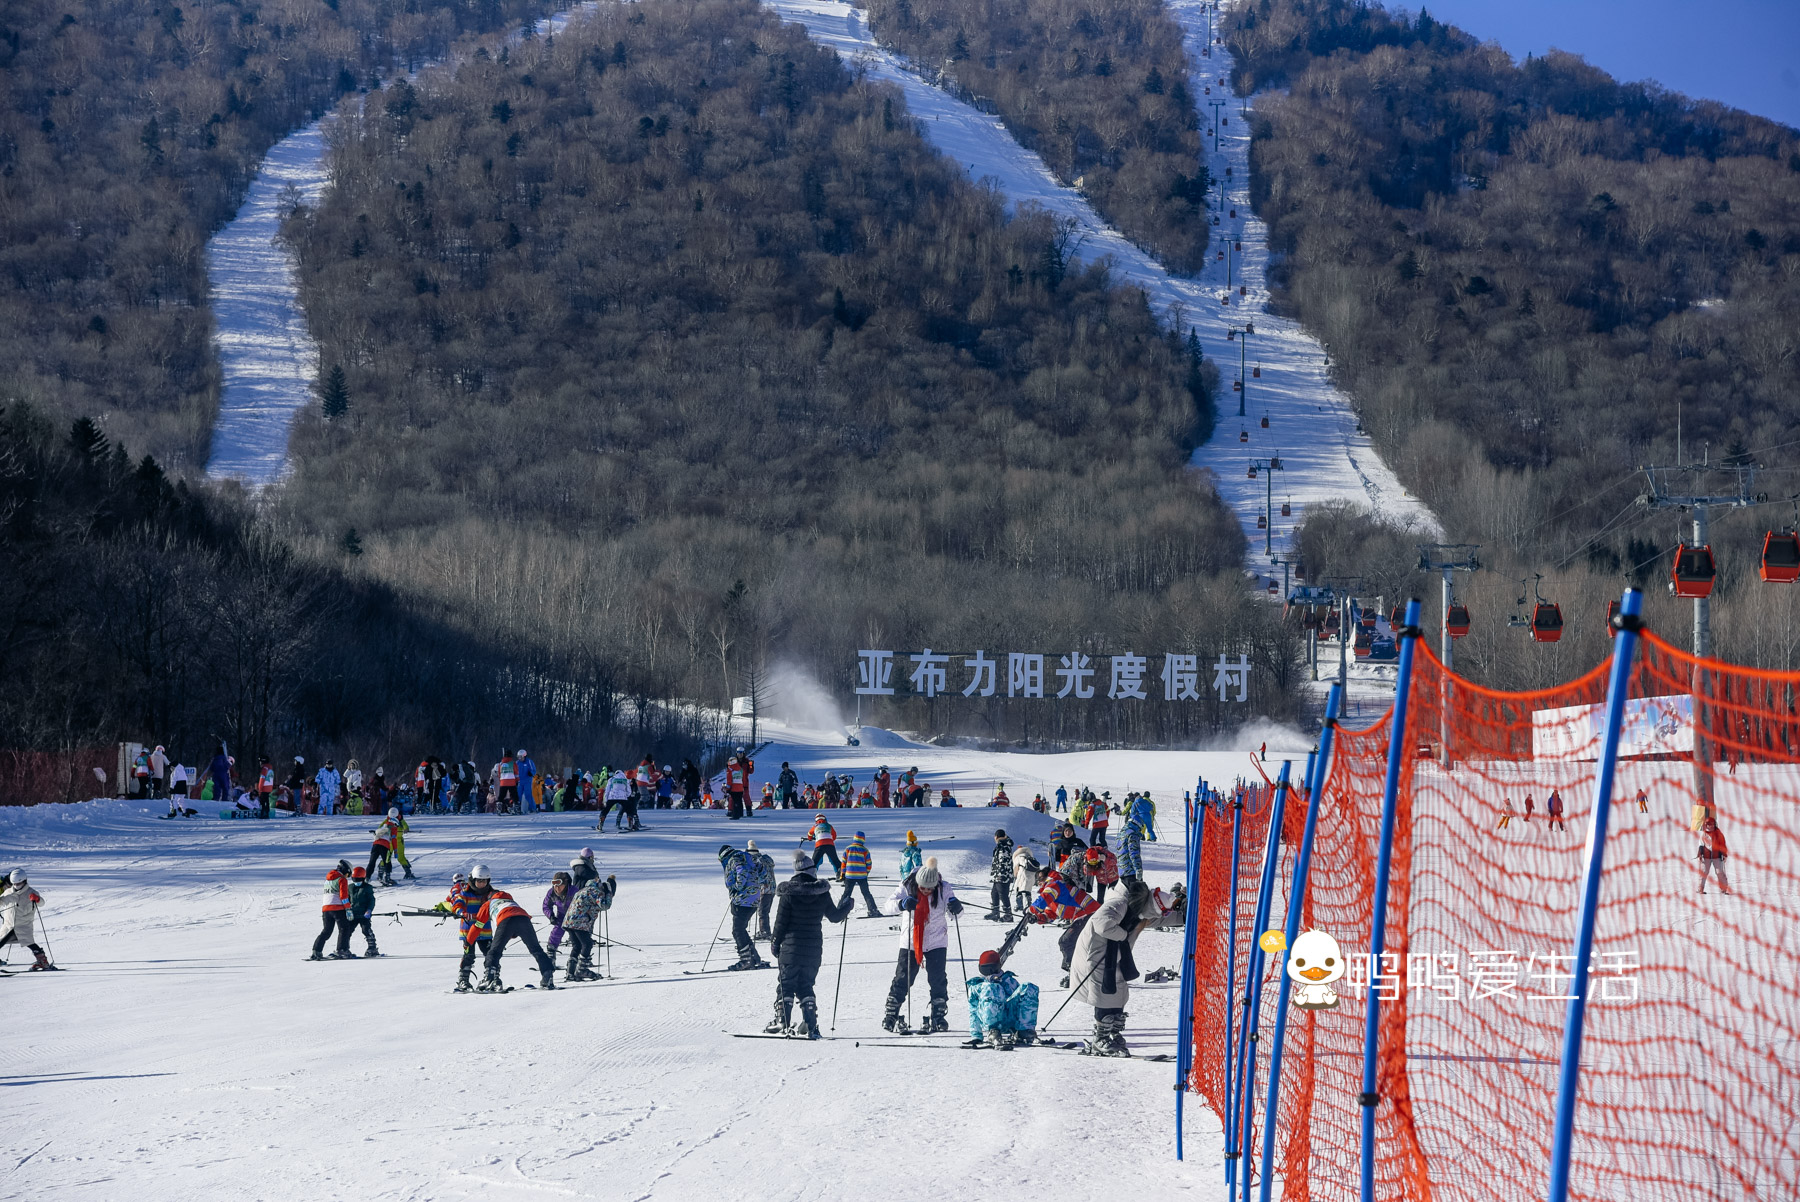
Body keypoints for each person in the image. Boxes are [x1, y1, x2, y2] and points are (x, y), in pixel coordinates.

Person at [1071, 880, 1183, 1055]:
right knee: (1105, 994)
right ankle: (1100, 1039)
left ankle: (1114, 1034)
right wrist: (1123, 935)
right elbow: (1102, 924)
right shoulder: (1120, 904)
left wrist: (1185, 915)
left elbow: (1161, 919)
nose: (1158, 915)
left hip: (1115, 957)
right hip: (1095, 956)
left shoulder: (1141, 911)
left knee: (1118, 993)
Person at [765, 850, 854, 1038]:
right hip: (813, 951)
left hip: (790, 949)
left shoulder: (788, 894)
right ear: (812, 871)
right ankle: (810, 1022)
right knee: (805, 984)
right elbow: (835, 917)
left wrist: (775, 943)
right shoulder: (821, 892)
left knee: (786, 984)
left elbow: (780, 923)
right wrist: (847, 905)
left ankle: (783, 1020)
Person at [882, 857, 962, 1033]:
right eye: (922, 887)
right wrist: (902, 904)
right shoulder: (906, 885)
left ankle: (938, 1016)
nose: (926, 891)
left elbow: (955, 915)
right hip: (911, 941)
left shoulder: (944, 888)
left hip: (937, 941)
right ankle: (891, 1014)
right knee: (903, 978)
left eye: (929, 888)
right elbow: (887, 906)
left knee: (938, 979)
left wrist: (957, 908)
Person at [463, 865, 557, 991]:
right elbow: (520, 918)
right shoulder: (510, 901)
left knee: (494, 952)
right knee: (536, 949)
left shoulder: (488, 904)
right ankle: (547, 976)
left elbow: (477, 926)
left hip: (505, 920)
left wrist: (468, 941)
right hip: (524, 919)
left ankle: (489, 979)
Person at [1028, 858, 1100, 987]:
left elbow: (1044, 899)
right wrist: (1040, 918)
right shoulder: (1054, 889)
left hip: (1089, 913)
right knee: (1075, 943)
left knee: (1066, 941)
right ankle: (1078, 972)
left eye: (1039, 880)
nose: (1038, 883)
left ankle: (1075, 974)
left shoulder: (1054, 885)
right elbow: (1051, 913)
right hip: (1085, 915)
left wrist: (1032, 910)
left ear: (1044, 877)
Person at [968, 950, 1039, 1048]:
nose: (990, 971)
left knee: (1029, 987)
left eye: (992, 967)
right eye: (986, 968)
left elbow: (1019, 1002)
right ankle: (993, 1031)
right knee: (992, 987)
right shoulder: (977, 986)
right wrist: (976, 1036)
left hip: (1010, 1019)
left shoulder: (1009, 981)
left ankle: (1024, 1031)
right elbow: (973, 1010)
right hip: (989, 1021)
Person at [719, 845, 769, 970]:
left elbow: (741, 872)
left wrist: (737, 887)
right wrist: (759, 883)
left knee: (737, 930)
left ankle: (746, 960)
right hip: (754, 898)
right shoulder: (748, 857)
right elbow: (763, 870)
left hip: (742, 898)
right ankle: (753, 957)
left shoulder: (734, 859)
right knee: (740, 928)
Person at [563, 871, 617, 981]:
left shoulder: (582, 890)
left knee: (577, 945)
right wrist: (608, 893)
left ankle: (570, 972)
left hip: (569, 922)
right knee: (587, 944)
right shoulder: (594, 891)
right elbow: (605, 905)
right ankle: (582, 970)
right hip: (580, 922)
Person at [0, 868, 53, 970]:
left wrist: (37, 899)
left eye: (18, 883)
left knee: (29, 942)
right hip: (8, 925)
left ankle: (43, 962)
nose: (16, 886)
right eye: (14, 884)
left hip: (23, 925)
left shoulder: (31, 892)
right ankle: (42, 961)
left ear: (24, 881)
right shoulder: (8, 892)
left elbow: (42, 903)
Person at [308, 860, 355, 961]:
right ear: (345, 871)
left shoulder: (327, 880)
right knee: (344, 929)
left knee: (327, 931)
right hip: (338, 908)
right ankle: (342, 950)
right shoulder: (341, 879)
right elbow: (343, 896)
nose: (347, 877)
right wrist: (348, 908)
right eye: (348, 874)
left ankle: (316, 951)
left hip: (326, 909)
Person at [838, 831, 880, 917]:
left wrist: (842, 873)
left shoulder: (848, 849)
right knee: (866, 893)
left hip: (849, 875)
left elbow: (843, 862)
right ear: (863, 840)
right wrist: (866, 872)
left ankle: (839, 911)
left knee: (847, 893)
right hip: (862, 876)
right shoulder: (865, 850)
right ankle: (873, 910)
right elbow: (869, 864)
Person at [747, 840, 778, 939]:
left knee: (762, 911)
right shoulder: (766, 859)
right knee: (765, 910)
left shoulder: (753, 861)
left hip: (763, 889)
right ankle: (764, 930)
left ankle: (764, 931)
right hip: (772, 888)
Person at [542, 871, 573, 966]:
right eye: (554, 884)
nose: (557, 888)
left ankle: (576, 961)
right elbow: (546, 906)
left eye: (559, 884)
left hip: (574, 918)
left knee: (577, 938)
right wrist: (551, 916)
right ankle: (551, 957)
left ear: (566, 883)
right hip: (561, 916)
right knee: (556, 933)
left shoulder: (574, 891)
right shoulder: (551, 893)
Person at [349, 866, 381, 957]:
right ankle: (344, 948)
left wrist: (369, 910)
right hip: (353, 914)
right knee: (347, 931)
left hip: (364, 914)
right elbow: (346, 899)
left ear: (363, 879)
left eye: (358, 879)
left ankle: (372, 948)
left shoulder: (367, 888)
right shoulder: (350, 887)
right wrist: (347, 910)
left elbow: (371, 900)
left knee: (366, 930)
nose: (356, 882)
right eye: (354, 879)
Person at [1697, 818, 1731, 894]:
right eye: (1709, 825)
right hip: (1706, 856)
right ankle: (1700, 888)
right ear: (1706, 825)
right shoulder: (1704, 834)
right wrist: (1700, 854)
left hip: (1717, 856)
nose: (1710, 826)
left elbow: (1722, 844)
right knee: (1704, 872)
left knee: (1719, 872)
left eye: (1712, 824)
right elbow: (1701, 845)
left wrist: (1724, 854)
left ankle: (1724, 888)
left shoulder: (1718, 833)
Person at [987, 829, 1015, 920]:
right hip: (998, 874)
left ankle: (1008, 915)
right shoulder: (1003, 844)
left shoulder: (1003, 845)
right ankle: (995, 912)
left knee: (1003, 894)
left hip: (1002, 875)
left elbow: (1003, 860)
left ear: (996, 837)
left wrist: (1000, 873)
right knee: (994, 893)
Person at [1010, 843, 1040, 914]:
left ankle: (1019, 905)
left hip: (1022, 875)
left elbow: (1015, 868)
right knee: (1027, 891)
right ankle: (1028, 904)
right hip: (1031, 876)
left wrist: (1015, 875)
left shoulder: (1019, 857)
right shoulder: (1030, 857)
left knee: (1018, 889)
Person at [1117, 819, 1144, 887]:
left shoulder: (1122, 833)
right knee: (1138, 896)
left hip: (1122, 870)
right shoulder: (1133, 834)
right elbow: (1134, 852)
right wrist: (1138, 869)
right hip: (1131, 871)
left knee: (1127, 895)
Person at [208, 744, 233, 814]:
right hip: (223, 774)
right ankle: (224, 801)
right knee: (225, 788)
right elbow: (227, 766)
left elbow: (211, 768)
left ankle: (216, 800)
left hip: (216, 775)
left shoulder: (215, 759)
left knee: (217, 788)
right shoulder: (224, 758)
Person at [517, 749, 538, 815]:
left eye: (521, 757)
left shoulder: (529, 762)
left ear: (524, 756)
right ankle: (518, 808)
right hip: (520, 781)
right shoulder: (517, 763)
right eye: (519, 757)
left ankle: (532, 808)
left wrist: (531, 773)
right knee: (518, 795)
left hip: (527, 781)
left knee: (528, 795)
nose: (520, 759)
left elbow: (534, 770)